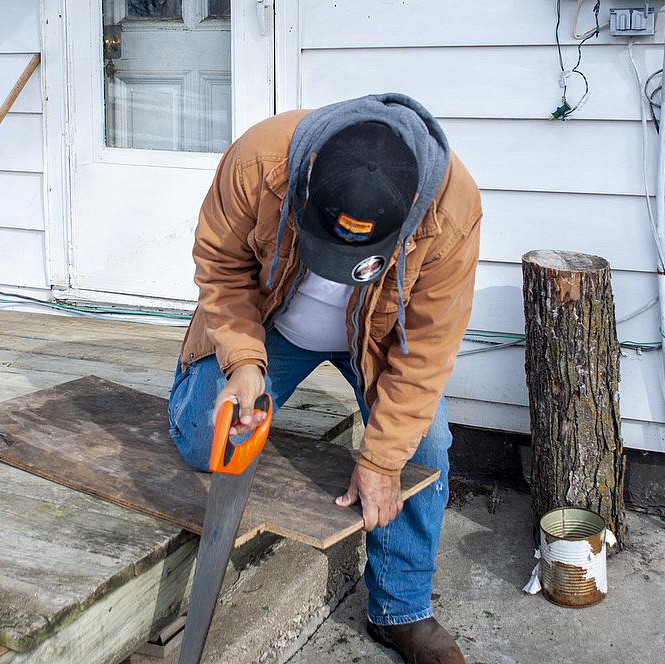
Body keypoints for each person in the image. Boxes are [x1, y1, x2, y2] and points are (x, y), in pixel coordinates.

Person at [168, 93, 480, 664]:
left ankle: (401, 611)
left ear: (410, 207)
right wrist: (241, 362)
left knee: (424, 447)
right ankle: (201, 383)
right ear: (308, 178)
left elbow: (430, 347)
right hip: (270, 323)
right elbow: (220, 263)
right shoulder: (260, 161)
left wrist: (382, 460)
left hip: (379, 342)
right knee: (201, 440)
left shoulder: (451, 210)